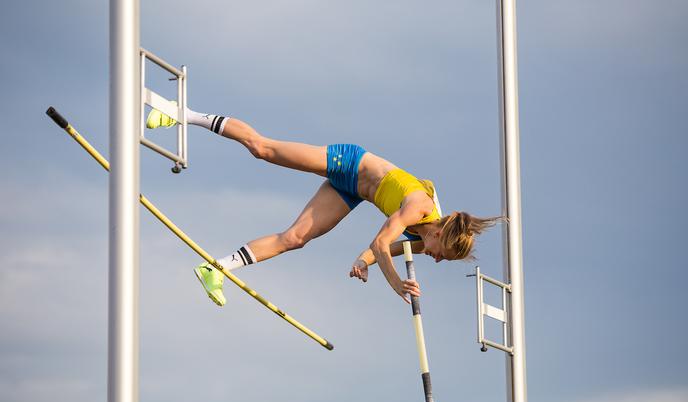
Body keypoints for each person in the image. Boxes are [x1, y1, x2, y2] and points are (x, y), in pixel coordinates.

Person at [146, 107, 501, 306]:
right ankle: (180, 113)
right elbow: (381, 242)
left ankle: (217, 268)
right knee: (262, 149)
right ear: (440, 232)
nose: (436, 259)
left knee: (295, 238)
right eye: (442, 254)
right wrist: (396, 285)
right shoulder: (419, 208)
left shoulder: (426, 239)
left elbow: (383, 251)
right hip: (350, 163)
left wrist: (362, 264)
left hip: (353, 193)